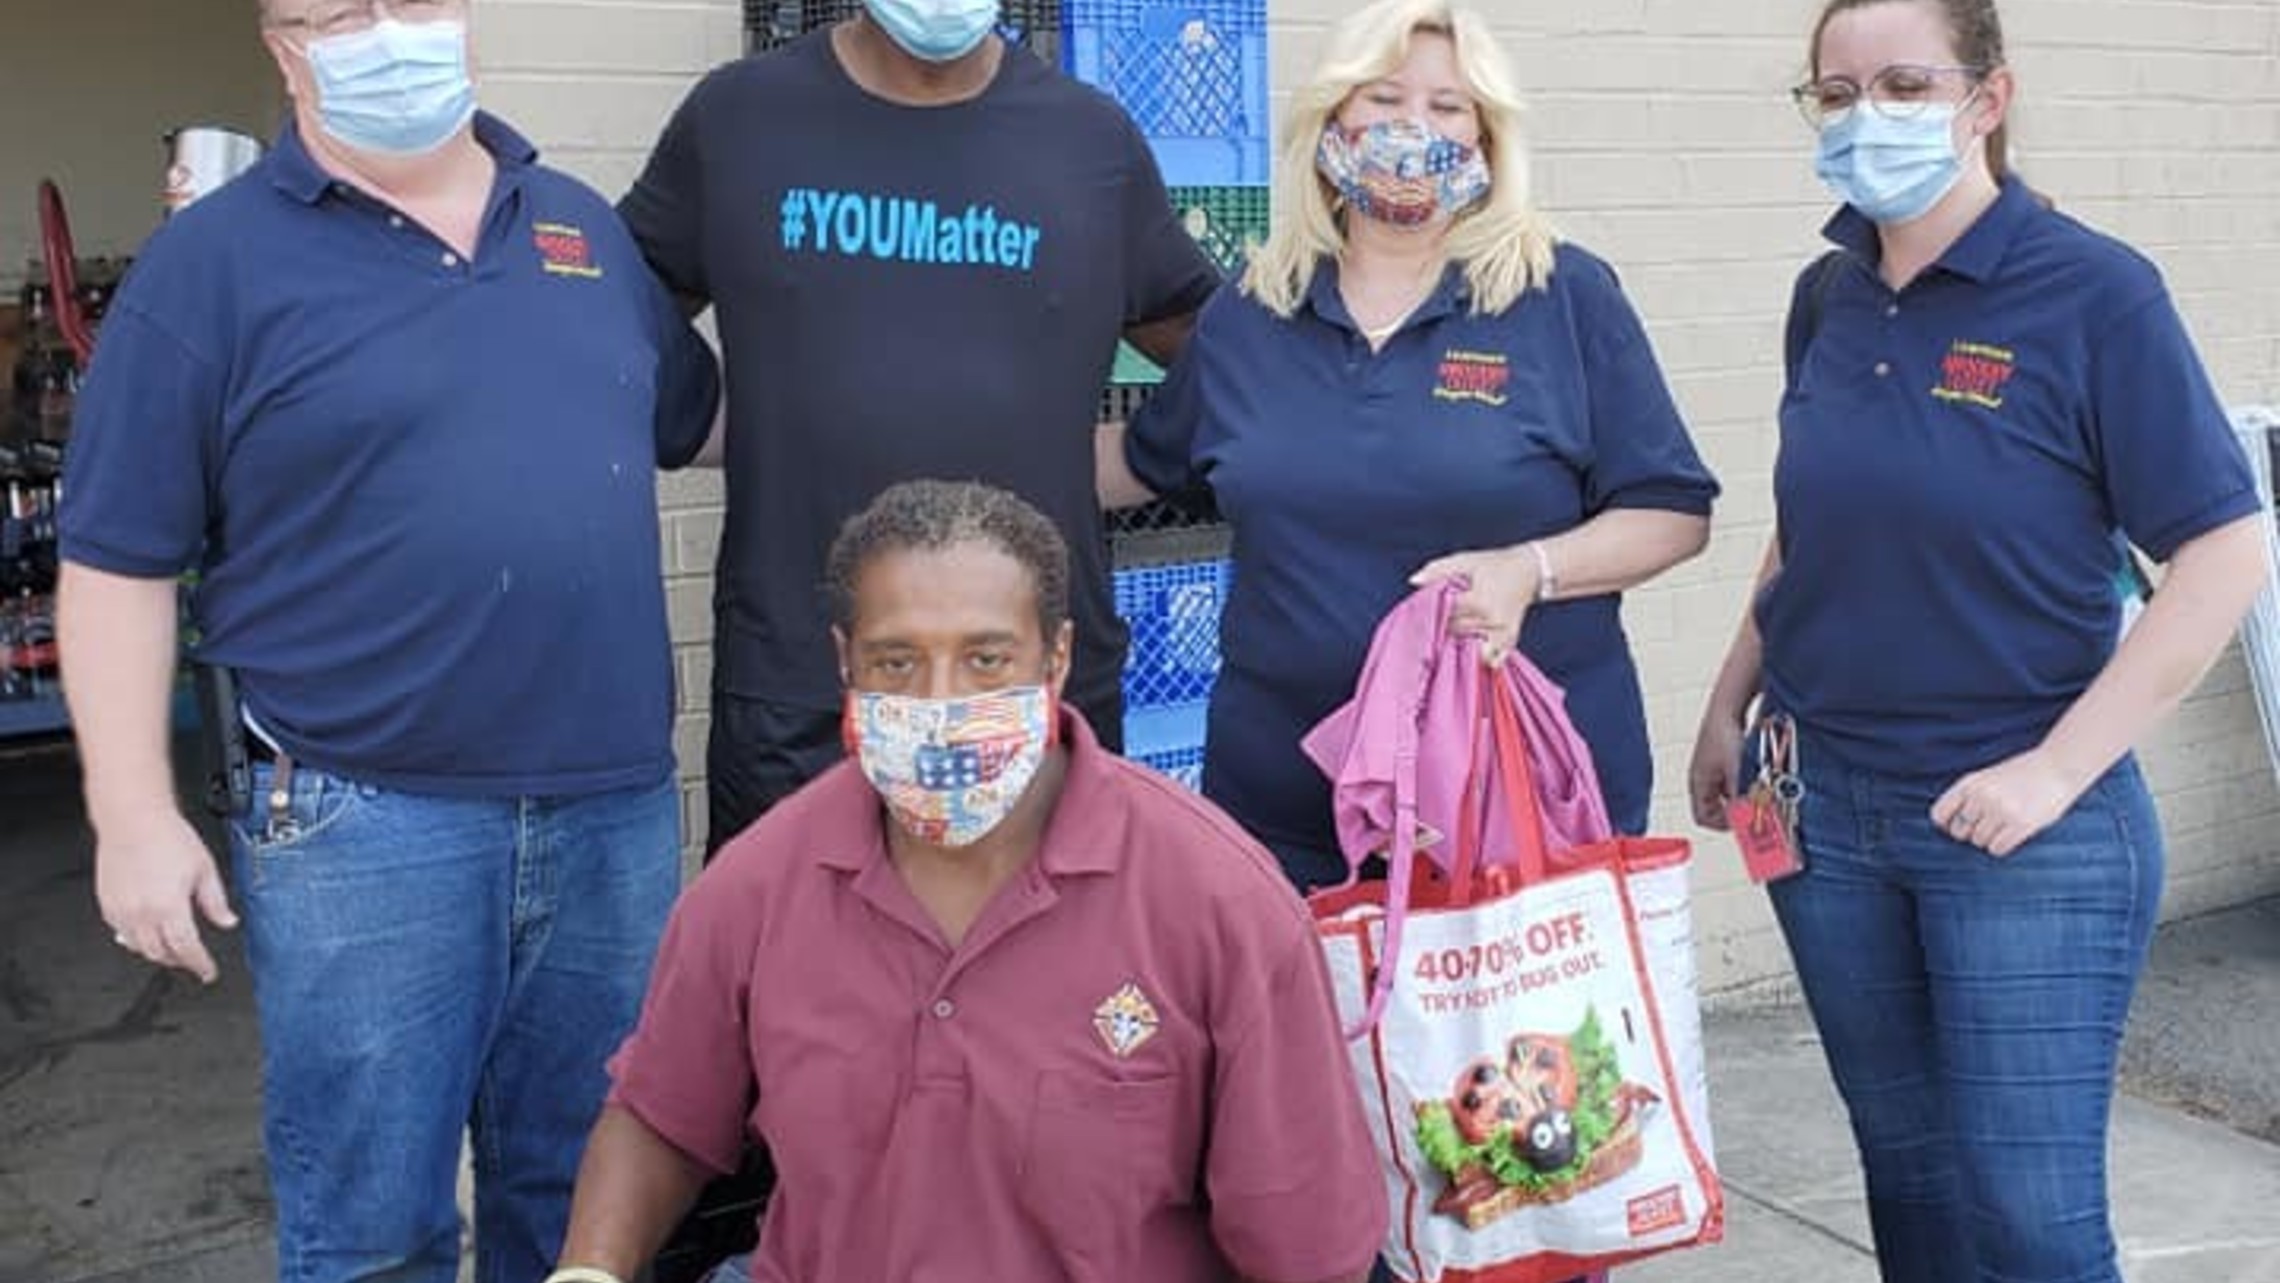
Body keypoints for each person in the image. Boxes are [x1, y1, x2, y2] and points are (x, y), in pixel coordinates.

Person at [56, 2, 721, 1280]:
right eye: (338, 12)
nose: (382, 32)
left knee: (590, 1209)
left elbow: (703, 420)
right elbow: (116, 559)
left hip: (612, 815)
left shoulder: (581, 229)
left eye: (407, 0)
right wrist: (131, 813)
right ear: (283, 44)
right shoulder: (209, 267)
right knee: (373, 1230)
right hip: (363, 823)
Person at [1685, 2, 2269, 1280]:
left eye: (1904, 85)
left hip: (2023, 829)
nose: (1866, 116)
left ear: (1986, 100)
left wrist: (2055, 771)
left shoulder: (2096, 293)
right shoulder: (1826, 297)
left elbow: (2225, 553)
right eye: (1837, 93)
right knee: (1912, 1182)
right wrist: (1731, 698)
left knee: (2029, 1220)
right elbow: (1811, 524)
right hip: (1825, 811)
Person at [545, 480, 1387, 1283]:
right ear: (844, 663)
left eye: (986, 659)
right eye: (896, 661)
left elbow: (1306, 1249)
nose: (941, 702)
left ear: (1057, 657)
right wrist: (592, 1263)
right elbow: (663, 1113)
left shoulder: (1219, 902)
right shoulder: (757, 886)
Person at [1101, 0, 1718, 894]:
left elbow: (1672, 510)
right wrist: (950, 444)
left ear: (1488, 137)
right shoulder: (1251, 313)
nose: (1410, 129)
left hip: (1511, 807)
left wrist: (1530, 569)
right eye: (1383, 99)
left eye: (1447, 106)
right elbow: (1140, 463)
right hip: (1285, 809)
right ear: (1330, 119)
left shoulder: (1561, 295)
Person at [620, 0, 1222, 854]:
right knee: (797, 942)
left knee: (1047, 942)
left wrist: (1146, 453)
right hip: (801, 689)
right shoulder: (738, 120)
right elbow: (611, 312)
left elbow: (1219, 345)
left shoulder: (1092, 141)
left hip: (1032, 686)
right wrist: (707, 417)